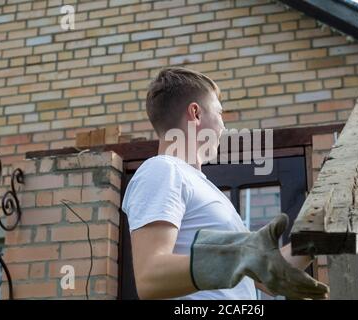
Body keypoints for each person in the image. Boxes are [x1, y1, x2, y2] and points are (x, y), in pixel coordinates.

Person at [122, 67, 329, 300]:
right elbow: (150, 278)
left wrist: (320, 232)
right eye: (220, 113)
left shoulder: (206, 190)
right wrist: (237, 256)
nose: (223, 127)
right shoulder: (163, 170)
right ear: (196, 113)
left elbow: (267, 279)